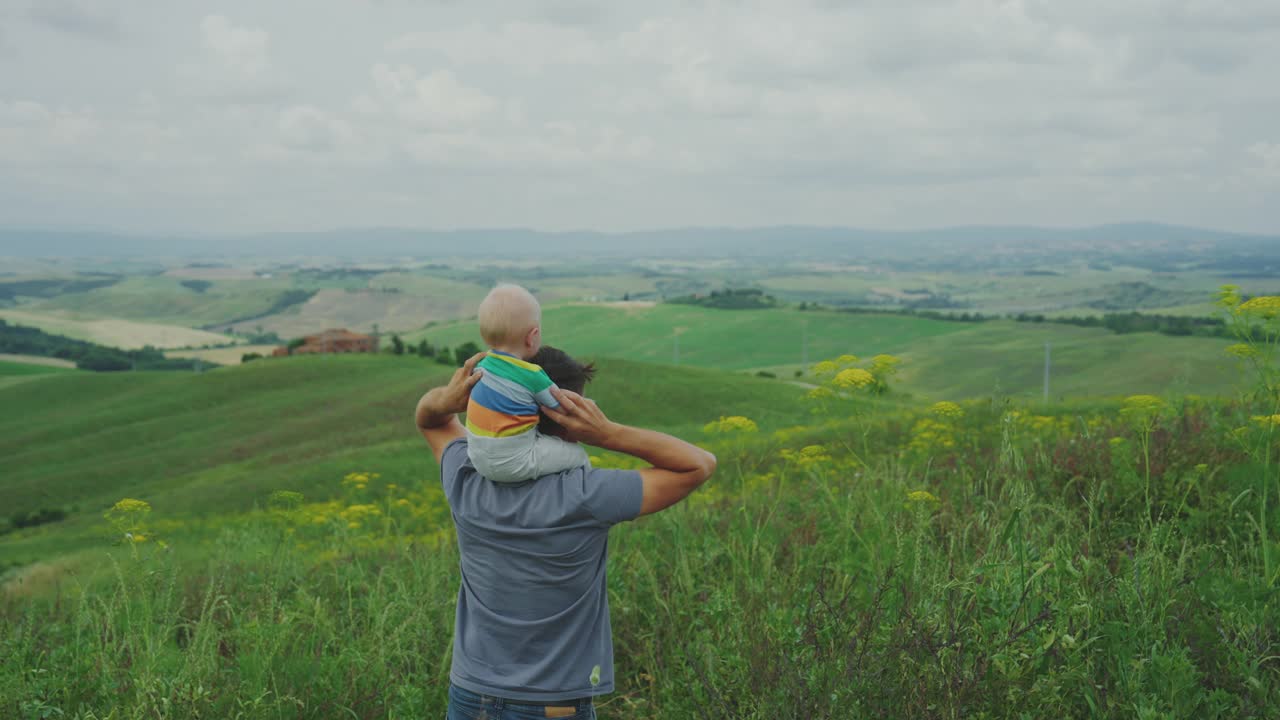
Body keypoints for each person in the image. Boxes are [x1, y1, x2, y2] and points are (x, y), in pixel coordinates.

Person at [415, 347, 717, 719]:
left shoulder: (464, 476)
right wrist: (607, 433)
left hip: (470, 695)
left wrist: (447, 399)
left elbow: (430, 420)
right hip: (553, 704)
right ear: (569, 421)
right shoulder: (586, 495)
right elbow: (698, 465)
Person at [463, 284, 590, 484]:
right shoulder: (533, 375)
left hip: (477, 459)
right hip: (516, 462)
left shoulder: (481, 366)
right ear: (532, 337)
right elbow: (562, 409)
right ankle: (579, 490)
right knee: (578, 456)